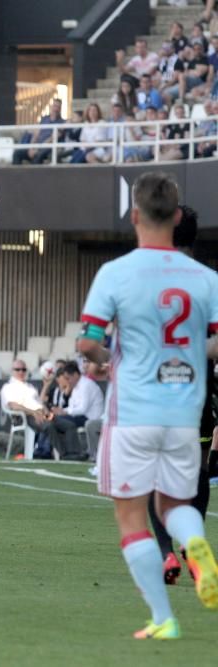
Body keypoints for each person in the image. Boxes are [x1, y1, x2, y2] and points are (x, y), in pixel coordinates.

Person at [77, 172, 218, 640]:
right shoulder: (206, 279)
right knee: (175, 502)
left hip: (134, 409)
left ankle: (163, 619)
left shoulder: (115, 273)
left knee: (132, 513)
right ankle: (195, 540)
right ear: (177, 217)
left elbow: (88, 342)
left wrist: (112, 361)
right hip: (184, 412)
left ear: (134, 215)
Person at [143, 205, 218, 586]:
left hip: (156, 391)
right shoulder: (209, 281)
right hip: (198, 391)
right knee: (200, 470)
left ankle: (165, 553)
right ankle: (192, 543)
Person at [46, 361, 103, 460]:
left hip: (90, 418)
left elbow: (82, 409)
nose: (67, 382)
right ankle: (64, 453)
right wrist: (62, 410)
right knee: (52, 421)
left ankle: (72, 452)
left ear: (76, 375)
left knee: (57, 420)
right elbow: (73, 407)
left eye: (68, 378)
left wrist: (64, 412)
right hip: (80, 416)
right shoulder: (76, 386)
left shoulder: (86, 385)